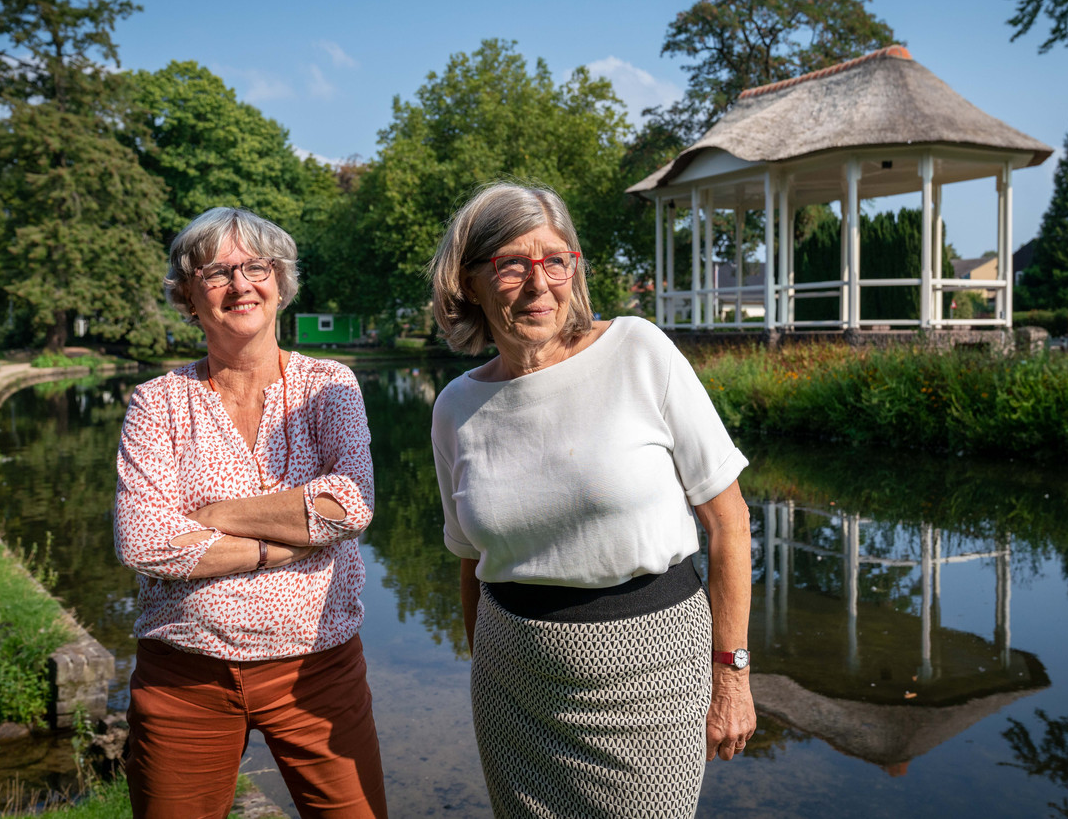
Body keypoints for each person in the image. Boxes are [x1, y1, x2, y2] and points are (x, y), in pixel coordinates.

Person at [428, 182, 757, 818]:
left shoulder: (639, 351)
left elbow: (730, 523)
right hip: (513, 682)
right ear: (468, 281)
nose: (538, 283)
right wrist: (486, 664)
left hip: (652, 677)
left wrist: (733, 675)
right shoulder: (455, 409)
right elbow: (470, 560)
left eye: (556, 259)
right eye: (511, 264)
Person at [113, 207, 387, 819]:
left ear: (281, 281)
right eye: (215, 272)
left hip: (318, 669)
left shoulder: (328, 385)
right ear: (188, 294)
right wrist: (281, 544)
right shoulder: (156, 404)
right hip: (184, 677)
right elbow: (143, 542)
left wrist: (216, 514)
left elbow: (349, 505)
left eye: (256, 267)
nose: (240, 285)